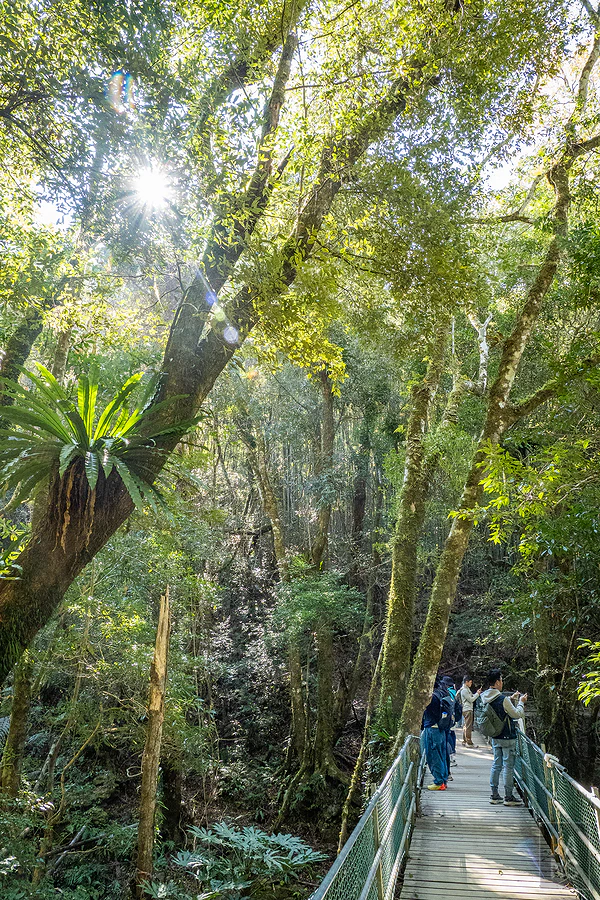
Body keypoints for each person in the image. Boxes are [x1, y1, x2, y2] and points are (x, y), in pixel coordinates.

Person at [480, 669, 527, 806]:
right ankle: (508, 797)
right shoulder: (502, 699)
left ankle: (494, 794)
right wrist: (521, 702)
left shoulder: (483, 697)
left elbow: (496, 709)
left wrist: (510, 699)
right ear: (497, 682)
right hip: (507, 736)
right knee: (508, 766)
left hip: (494, 735)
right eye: (501, 680)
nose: (502, 682)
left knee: (496, 764)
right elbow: (516, 714)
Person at [420, 678, 450, 791]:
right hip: (441, 728)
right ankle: (443, 780)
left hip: (433, 728)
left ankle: (438, 781)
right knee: (441, 754)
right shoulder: (442, 693)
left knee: (433, 756)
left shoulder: (432, 697)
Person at [459, 675, 481, 747]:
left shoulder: (465, 689)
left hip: (466, 709)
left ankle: (465, 741)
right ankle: (469, 742)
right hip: (468, 709)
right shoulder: (465, 690)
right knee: (468, 726)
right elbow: (471, 699)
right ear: (466, 682)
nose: (471, 684)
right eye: (470, 682)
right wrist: (477, 694)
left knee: (466, 725)